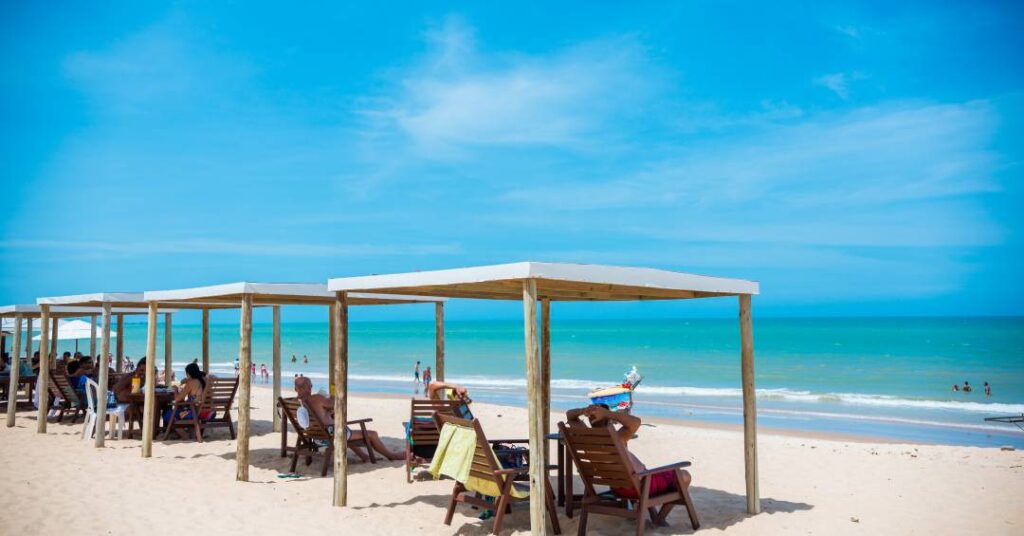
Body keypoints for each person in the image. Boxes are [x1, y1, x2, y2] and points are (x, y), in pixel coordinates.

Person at [566, 404, 690, 499]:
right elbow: (636, 422)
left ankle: (645, 510)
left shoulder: (585, 439)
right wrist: (607, 413)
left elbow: (570, 416)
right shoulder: (616, 439)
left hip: (617, 488)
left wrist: (583, 410)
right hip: (640, 487)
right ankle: (660, 518)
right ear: (609, 420)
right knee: (684, 476)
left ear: (589, 418)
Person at [292, 376, 402, 462]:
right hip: (332, 436)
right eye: (310, 385)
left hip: (315, 438)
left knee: (346, 431)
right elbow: (334, 404)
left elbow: (313, 416)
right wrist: (333, 392)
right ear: (310, 386)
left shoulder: (294, 403)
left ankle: (364, 456)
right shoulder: (316, 398)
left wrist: (326, 413)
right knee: (372, 434)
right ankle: (392, 456)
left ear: (295, 389)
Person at [162, 362, 210, 431]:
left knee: (167, 413)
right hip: (207, 412)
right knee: (178, 409)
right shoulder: (204, 380)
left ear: (189, 374)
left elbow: (177, 399)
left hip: (193, 414)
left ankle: (181, 433)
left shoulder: (191, 382)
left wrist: (175, 389)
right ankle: (183, 431)